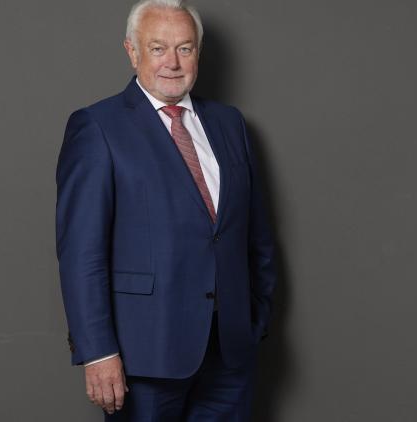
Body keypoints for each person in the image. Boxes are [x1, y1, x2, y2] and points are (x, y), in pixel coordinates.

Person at [55, 0, 277, 420]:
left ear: (198, 53)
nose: (172, 63)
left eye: (184, 48)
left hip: (230, 352)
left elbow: (255, 234)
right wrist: (98, 351)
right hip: (144, 355)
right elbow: (81, 254)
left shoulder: (229, 124)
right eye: (158, 48)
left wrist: (255, 318)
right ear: (132, 51)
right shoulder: (98, 127)